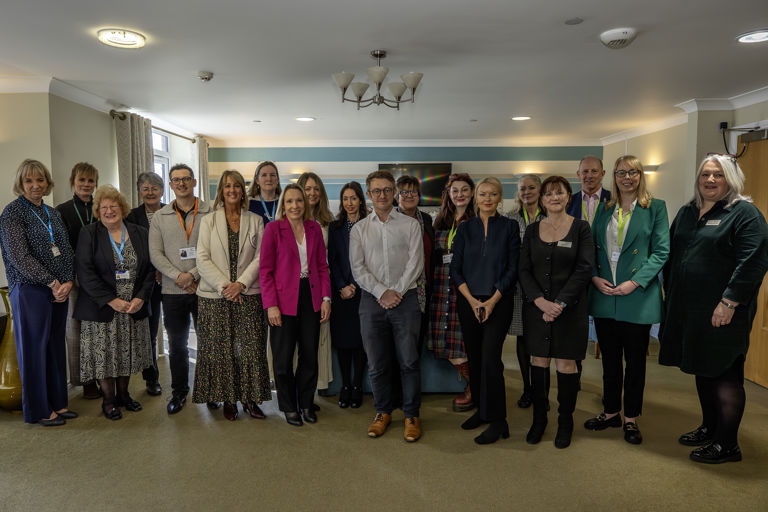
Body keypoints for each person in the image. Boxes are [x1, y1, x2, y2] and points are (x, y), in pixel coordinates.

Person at [659, 154, 768, 464]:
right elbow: (674, 254)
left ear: (731, 179)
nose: (709, 180)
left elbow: (753, 262)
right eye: (705, 174)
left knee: (725, 375)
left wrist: (729, 302)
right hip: (690, 310)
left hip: (724, 311)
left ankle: (727, 444)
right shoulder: (688, 211)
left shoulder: (744, 214)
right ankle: (710, 427)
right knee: (703, 370)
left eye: (718, 175)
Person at [586, 155, 669, 445]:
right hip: (606, 294)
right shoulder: (604, 208)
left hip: (637, 295)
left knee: (635, 362)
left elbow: (661, 251)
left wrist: (635, 282)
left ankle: (631, 418)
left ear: (640, 176)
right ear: (614, 177)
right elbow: (594, 250)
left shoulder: (655, 208)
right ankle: (610, 412)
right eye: (622, 172)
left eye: (633, 172)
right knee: (609, 360)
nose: (627, 177)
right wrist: (595, 277)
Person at [518, 176, 594, 448]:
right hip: (537, 311)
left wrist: (559, 303)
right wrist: (540, 302)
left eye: (559, 193)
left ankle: (565, 421)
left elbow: (585, 269)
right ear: (541, 200)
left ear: (568, 197)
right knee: (538, 362)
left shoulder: (581, 228)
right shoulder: (532, 230)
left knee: (566, 364)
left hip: (569, 311)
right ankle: (539, 420)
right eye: (548, 194)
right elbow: (523, 270)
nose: (554, 197)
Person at [0, 159, 76, 426]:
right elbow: (19, 256)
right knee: (34, 351)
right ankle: (39, 410)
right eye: (29, 181)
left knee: (55, 346)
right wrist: (52, 282)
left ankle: (58, 403)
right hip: (30, 289)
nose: (35, 185)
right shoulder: (12, 214)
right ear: (21, 184)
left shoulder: (53, 213)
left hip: (58, 290)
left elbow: (65, 249)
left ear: (47, 183)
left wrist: (67, 281)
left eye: (40, 180)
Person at [350, 170, 424, 442]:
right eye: (376, 191)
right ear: (368, 195)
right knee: (377, 363)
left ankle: (411, 415)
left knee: (409, 361)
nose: (382, 195)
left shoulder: (410, 225)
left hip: (406, 300)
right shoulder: (359, 229)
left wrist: (397, 292)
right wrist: (383, 292)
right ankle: (382, 412)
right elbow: (358, 268)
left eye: (386, 190)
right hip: (371, 301)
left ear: (394, 193)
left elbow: (415, 263)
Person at [193, 170, 271, 421]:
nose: (232, 190)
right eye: (227, 186)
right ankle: (228, 399)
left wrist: (241, 284)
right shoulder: (209, 221)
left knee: (250, 348)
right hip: (215, 296)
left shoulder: (255, 220)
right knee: (221, 349)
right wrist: (226, 287)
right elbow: (202, 258)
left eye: (237, 185)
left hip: (248, 293)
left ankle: (250, 399)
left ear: (243, 189)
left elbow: (261, 257)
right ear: (221, 191)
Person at [74, 185, 154, 420]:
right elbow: (85, 271)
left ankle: (124, 395)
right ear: (98, 210)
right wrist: (111, 300)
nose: (109, 211)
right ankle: (108, 400)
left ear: (122, 207)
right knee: (105, 356)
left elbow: (150, 269)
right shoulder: (89, 233)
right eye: (104, 207)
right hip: (103, 308)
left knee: (126, 353)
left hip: (132, 307)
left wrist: (140, 297)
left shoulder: (140, 232)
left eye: (114, 206)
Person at [451, 177, 519, 445]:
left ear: (500, 198)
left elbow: (513, 268)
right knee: (476, 358)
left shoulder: (510, 227)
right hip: (469, 303)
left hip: (498, 303)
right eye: (483, 194)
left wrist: (490, 302)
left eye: (493, 194)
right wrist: (472, 300)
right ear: (475, 198)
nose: (487, 198)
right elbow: (455, 268)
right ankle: (481, 410)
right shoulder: (465, 228)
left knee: (491, 360)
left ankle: (499, 421)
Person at [260, 184, 331, 426]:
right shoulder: (273, 229)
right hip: (282, 301)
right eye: (289, 201)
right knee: (282, 359)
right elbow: (265, 271)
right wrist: (271, 305)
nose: (295, 206)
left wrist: (326, 299)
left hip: (310, 296)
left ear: (305, 203)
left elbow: (322, 267)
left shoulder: (314, 228)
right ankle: (289, 407)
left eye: (299, 201)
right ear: (283, 205)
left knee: (309, 356)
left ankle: (306, 403)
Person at [149, 163, 213, 414]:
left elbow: (213, 250)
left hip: (205, 287)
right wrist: (179, 277)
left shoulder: (210, 212)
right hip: (173, 290)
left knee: (208, 342)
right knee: (177, 344)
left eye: (186, 179)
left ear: (194, 182)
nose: (182, 184)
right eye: (176, 180)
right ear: (171, 184)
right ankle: (179, 391)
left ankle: (210, 389)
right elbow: (156, 254)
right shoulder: (160, 217)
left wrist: (194, 275)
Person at [428, 174, 475, 411]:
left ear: (472, 192)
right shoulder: (440, 222)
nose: (460, 194)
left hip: (464, 291)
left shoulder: (477, 221)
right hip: (440, 290)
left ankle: (473, 387)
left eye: (465, 189)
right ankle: (474, 385)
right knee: (444, 343)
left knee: (463, 345)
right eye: (455, 190)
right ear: (449, 194)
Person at [55, 162, 100, 399]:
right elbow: (59, 247)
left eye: (90, 181)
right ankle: (85, 382)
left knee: (100, 328)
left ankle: (103, 375)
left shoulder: (102, 207)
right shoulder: (61, 210)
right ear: (73, 181)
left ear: (96, 184)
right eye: (82, 180)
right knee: (77, 331)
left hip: (101, 276)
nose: (86, 185)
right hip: (73, 277)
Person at [506, 174, 545, 409]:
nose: (527, 192)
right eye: (523, 188)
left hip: (545, 289)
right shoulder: (510, 219)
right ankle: (527, 388)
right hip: (519, 289)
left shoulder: (550, 216)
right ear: (517, 192)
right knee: (523, 340)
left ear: (540, 190)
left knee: (542, 341)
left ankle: (541, 390)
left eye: (532, 187)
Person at [328, 182, 368, 408]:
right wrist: (343, 285)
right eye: (345, 199)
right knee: (343, 341)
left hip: (364, 291)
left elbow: (371, 260)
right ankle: (345, 385)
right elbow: (331, 260)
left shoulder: (370, 224)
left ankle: (357, 385)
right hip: (341, 293)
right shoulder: (335, 227)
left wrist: (355, 284)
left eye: (353, 198)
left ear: (360, 200)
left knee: (361, 341)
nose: (350, 203)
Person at [126, 171, 165, 397]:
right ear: (140, 191)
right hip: (146, 283)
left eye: (154, 188)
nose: (150, 192)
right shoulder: (131, 216)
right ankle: (152, 379)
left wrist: (165, 269)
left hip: (172, 279)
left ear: (162, 191)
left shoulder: (173, 211)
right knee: (149, 333)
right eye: (146, 188)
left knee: (178, 333)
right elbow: (134, 251)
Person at [297, 171, 334, 397]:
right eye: (307, 188)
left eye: (316, 189)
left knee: (317, 341)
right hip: (295, 288)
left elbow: (326, 262)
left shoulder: (327, 222)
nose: (312, 193)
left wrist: (326, 296)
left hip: (320, 287)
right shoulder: (290, 220)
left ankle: (315, 388)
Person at [396, 175, 435, 338]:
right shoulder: (390, 220)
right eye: (404, 192)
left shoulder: (426, 219)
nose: (409, 195)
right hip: (398, 290)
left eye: (413, 192)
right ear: (396, 196)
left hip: (422, 289)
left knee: (417, 337)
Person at [248, 161, 282, 225]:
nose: (269, 179)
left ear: (277, 180)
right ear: (257, 180)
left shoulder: (284, 202)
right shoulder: (248, 203)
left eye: (272, 175)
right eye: (264, 175)